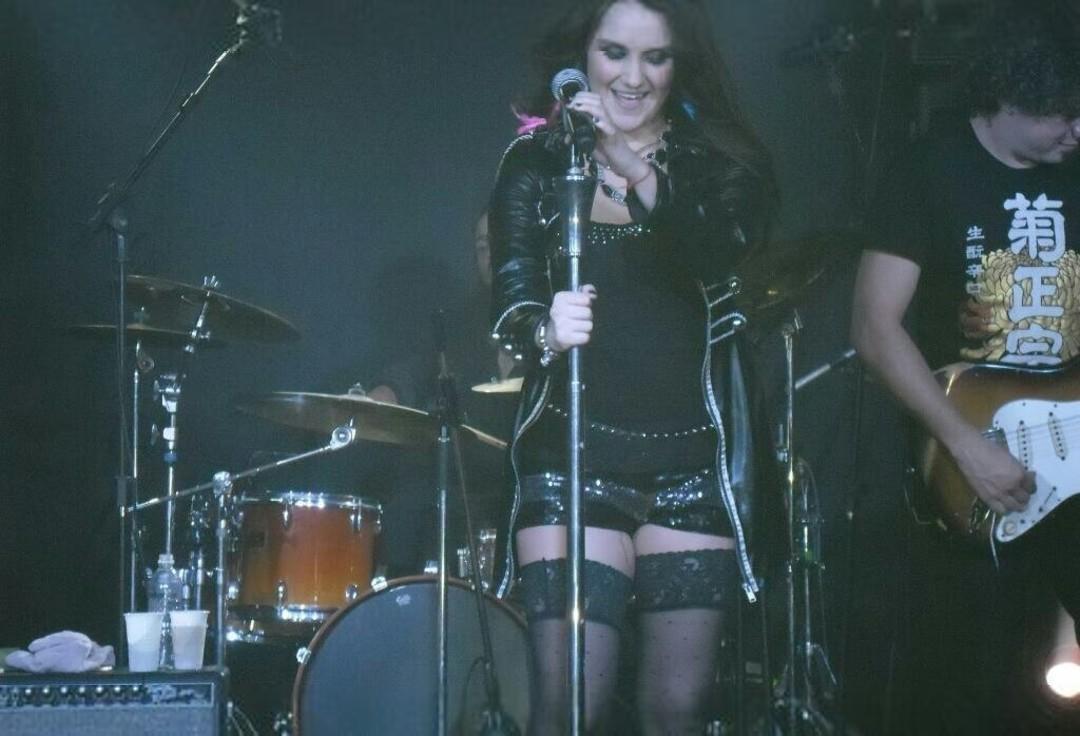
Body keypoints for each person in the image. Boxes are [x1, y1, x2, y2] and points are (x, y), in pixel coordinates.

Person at [487, 1, 776, 732]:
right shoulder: (535, 161)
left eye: (656, 57)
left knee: (675, 710)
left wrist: (625, 158)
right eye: (614, 53)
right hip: (572, 459)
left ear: (682, 65)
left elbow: (713, 252)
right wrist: (544, 329)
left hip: (692, 463)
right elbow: (511, 294)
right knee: (570, 703)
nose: (633, 76)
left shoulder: (720, 162)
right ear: (582, 54)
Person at [851, 2, 1080, 730]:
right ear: (1014, 94)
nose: (1078, 132)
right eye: (1065, 115)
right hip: (968, 465)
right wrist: (966, 445)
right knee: (970, 683)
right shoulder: (928, 168)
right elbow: (874, 327)